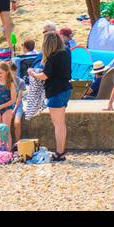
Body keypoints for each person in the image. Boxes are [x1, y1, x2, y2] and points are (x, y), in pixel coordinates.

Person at [29, 30, 72, 161]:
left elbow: (44, 75)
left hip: (55, 91)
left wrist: (32, 73)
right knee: (61, 123)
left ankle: (60, 152)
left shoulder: (53, 56)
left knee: (58, 124)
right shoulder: (65, 53)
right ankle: (61, 151)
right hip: (65, 90)